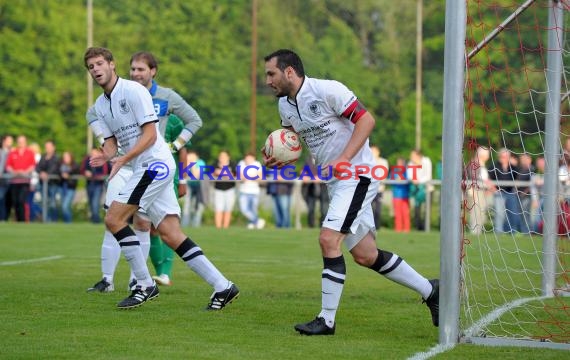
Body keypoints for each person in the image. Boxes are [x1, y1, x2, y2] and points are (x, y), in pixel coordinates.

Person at [262, 49, 438, 335]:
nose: (267, 80)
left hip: (357, 176)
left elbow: (366, 120)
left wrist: (344, 158)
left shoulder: (327, 90)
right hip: (337, 183)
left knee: (328, 239)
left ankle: (326, 320)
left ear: (290, 71)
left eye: (271, 73)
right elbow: (291, 141)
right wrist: (279, 157)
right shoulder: (285, 106)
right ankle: (432, 291)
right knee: (365, 255)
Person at [84, 46, 238, 309]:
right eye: (91, 67)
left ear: (112, 64)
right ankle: (223, 287)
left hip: (155, 165)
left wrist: (122, 158)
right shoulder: (100, 105)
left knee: (114, 218)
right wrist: (105, 155)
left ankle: (144, 284)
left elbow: (151, 136)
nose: (96, 70)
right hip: (144, 167)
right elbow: (111, 145)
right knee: (170, 234)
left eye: (100, 63)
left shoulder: (134, 91)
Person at [129, 51, 203, 286]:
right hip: (136, 168)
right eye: (133, 69)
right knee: (143, 225)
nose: (135, 74)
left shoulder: (167, 97)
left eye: (141, 69)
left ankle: (161, 274)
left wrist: (175, 144)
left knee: (166, 228)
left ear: (153, 71)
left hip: (161, 169)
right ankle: (147, 277)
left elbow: (195, 120)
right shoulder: (126, 95)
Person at [5, 135, 36, 222]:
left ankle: (22, 220)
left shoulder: (30, 153)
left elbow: (33, 166)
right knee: (15, 202)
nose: (20, 143)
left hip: (25, 181)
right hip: (14, 181)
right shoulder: (13, 153)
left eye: (22, 141)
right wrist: (14, 172)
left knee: (21, 201)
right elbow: (8, 166)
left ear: (25, 142)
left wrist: (24, 172)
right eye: (19, 141)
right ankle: (18, 220)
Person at [80, 148, 110, 223]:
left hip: (98, 185)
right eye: (92, 153)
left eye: (94, 152)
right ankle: (93, 219)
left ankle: (96, 220)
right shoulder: (87, 160)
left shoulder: (103, 160)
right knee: (90, 202)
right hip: (89, 184)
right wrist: (85, 173)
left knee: (95, 202)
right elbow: (82, 169)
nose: (93, 154)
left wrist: (94, 175)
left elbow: (106, 171)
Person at [237, 152, 265, 229]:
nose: (248, 160)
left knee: (253, 210)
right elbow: (241, 177)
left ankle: (252, 223)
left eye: (250, 158)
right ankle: (257, 221)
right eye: (247, 158)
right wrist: (252, 176)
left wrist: (248, 176)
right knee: (244, 210)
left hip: (254, 191)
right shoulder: (241, 163)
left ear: (253, 158)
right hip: (244, 191)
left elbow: (260, 177)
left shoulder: (257, 164)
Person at [36, 140, 61, 222]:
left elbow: (54, 168)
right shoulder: (43, 157)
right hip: (42, 183)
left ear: (54, 147)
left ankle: (54, 220)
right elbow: (38, 167)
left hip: (52, 184)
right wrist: (42, 173)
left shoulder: (56, 158)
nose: (47, 148)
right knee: (43, 202)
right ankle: (46, 219)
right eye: (46, 147)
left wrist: (47, 174)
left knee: (52, 203)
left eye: (49, 147)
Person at [301, 155, 329, 228]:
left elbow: (331, 173)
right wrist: (307, 177)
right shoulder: (308, 159)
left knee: (324, 210)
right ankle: (311, 227)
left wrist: (320, 178)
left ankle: (322, 226)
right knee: (311, 209)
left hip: (324, 187)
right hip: (311, 187)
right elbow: (303, 173)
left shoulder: (326, 157)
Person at [213, 150, 236, 229]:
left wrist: (221, 172)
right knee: (218, 208)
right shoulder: (215, 164)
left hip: (230, 189)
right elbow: (214, 172)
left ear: (228, 157)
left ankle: (226, 227)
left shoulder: (233, 164)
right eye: (221, 156)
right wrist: (226, 173)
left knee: (228, 208)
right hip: (218, 189)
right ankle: (218, 227)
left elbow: (233, 174)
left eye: (224, 156)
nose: (222, 158)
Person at [370, 145, 388, 230]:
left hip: (379, 189)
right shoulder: (367, 161)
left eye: (373, 151)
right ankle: (369, 226)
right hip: (369, 189)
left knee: (377, 209)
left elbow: (384, 174)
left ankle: (377, 226)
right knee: (368, 209)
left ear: (378, 152)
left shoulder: (383, 162)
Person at [59, 151, 80, 223]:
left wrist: (68, 175)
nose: (65, 159)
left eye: (67, 157)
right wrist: (61, 174)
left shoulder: (75, 165)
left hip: (71, 188)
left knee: (65, 206)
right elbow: (56, 171)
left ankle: (68, 222)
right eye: (64, 157)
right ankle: (67, 222)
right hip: (62, 187)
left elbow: (76, 170)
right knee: (64, 207)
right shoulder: (61, 165)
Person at [391, 157, 411, 232]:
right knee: (397, 213)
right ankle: (398, 229)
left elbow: (409, 180)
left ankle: (406, 229)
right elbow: (391, 180)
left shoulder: (406, 171)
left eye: (401, 163)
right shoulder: (394, 171)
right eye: (399, 162)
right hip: (396, 195)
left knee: (405, 213)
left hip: (405, 195)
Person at [0, 135, 14, 221]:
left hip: (11, 180)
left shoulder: (13, 152)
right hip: (2, 180)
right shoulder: (1, 152)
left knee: (9, 201)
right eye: (9, 140)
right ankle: (2, 218)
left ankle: (5, 218)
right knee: (1, 199)